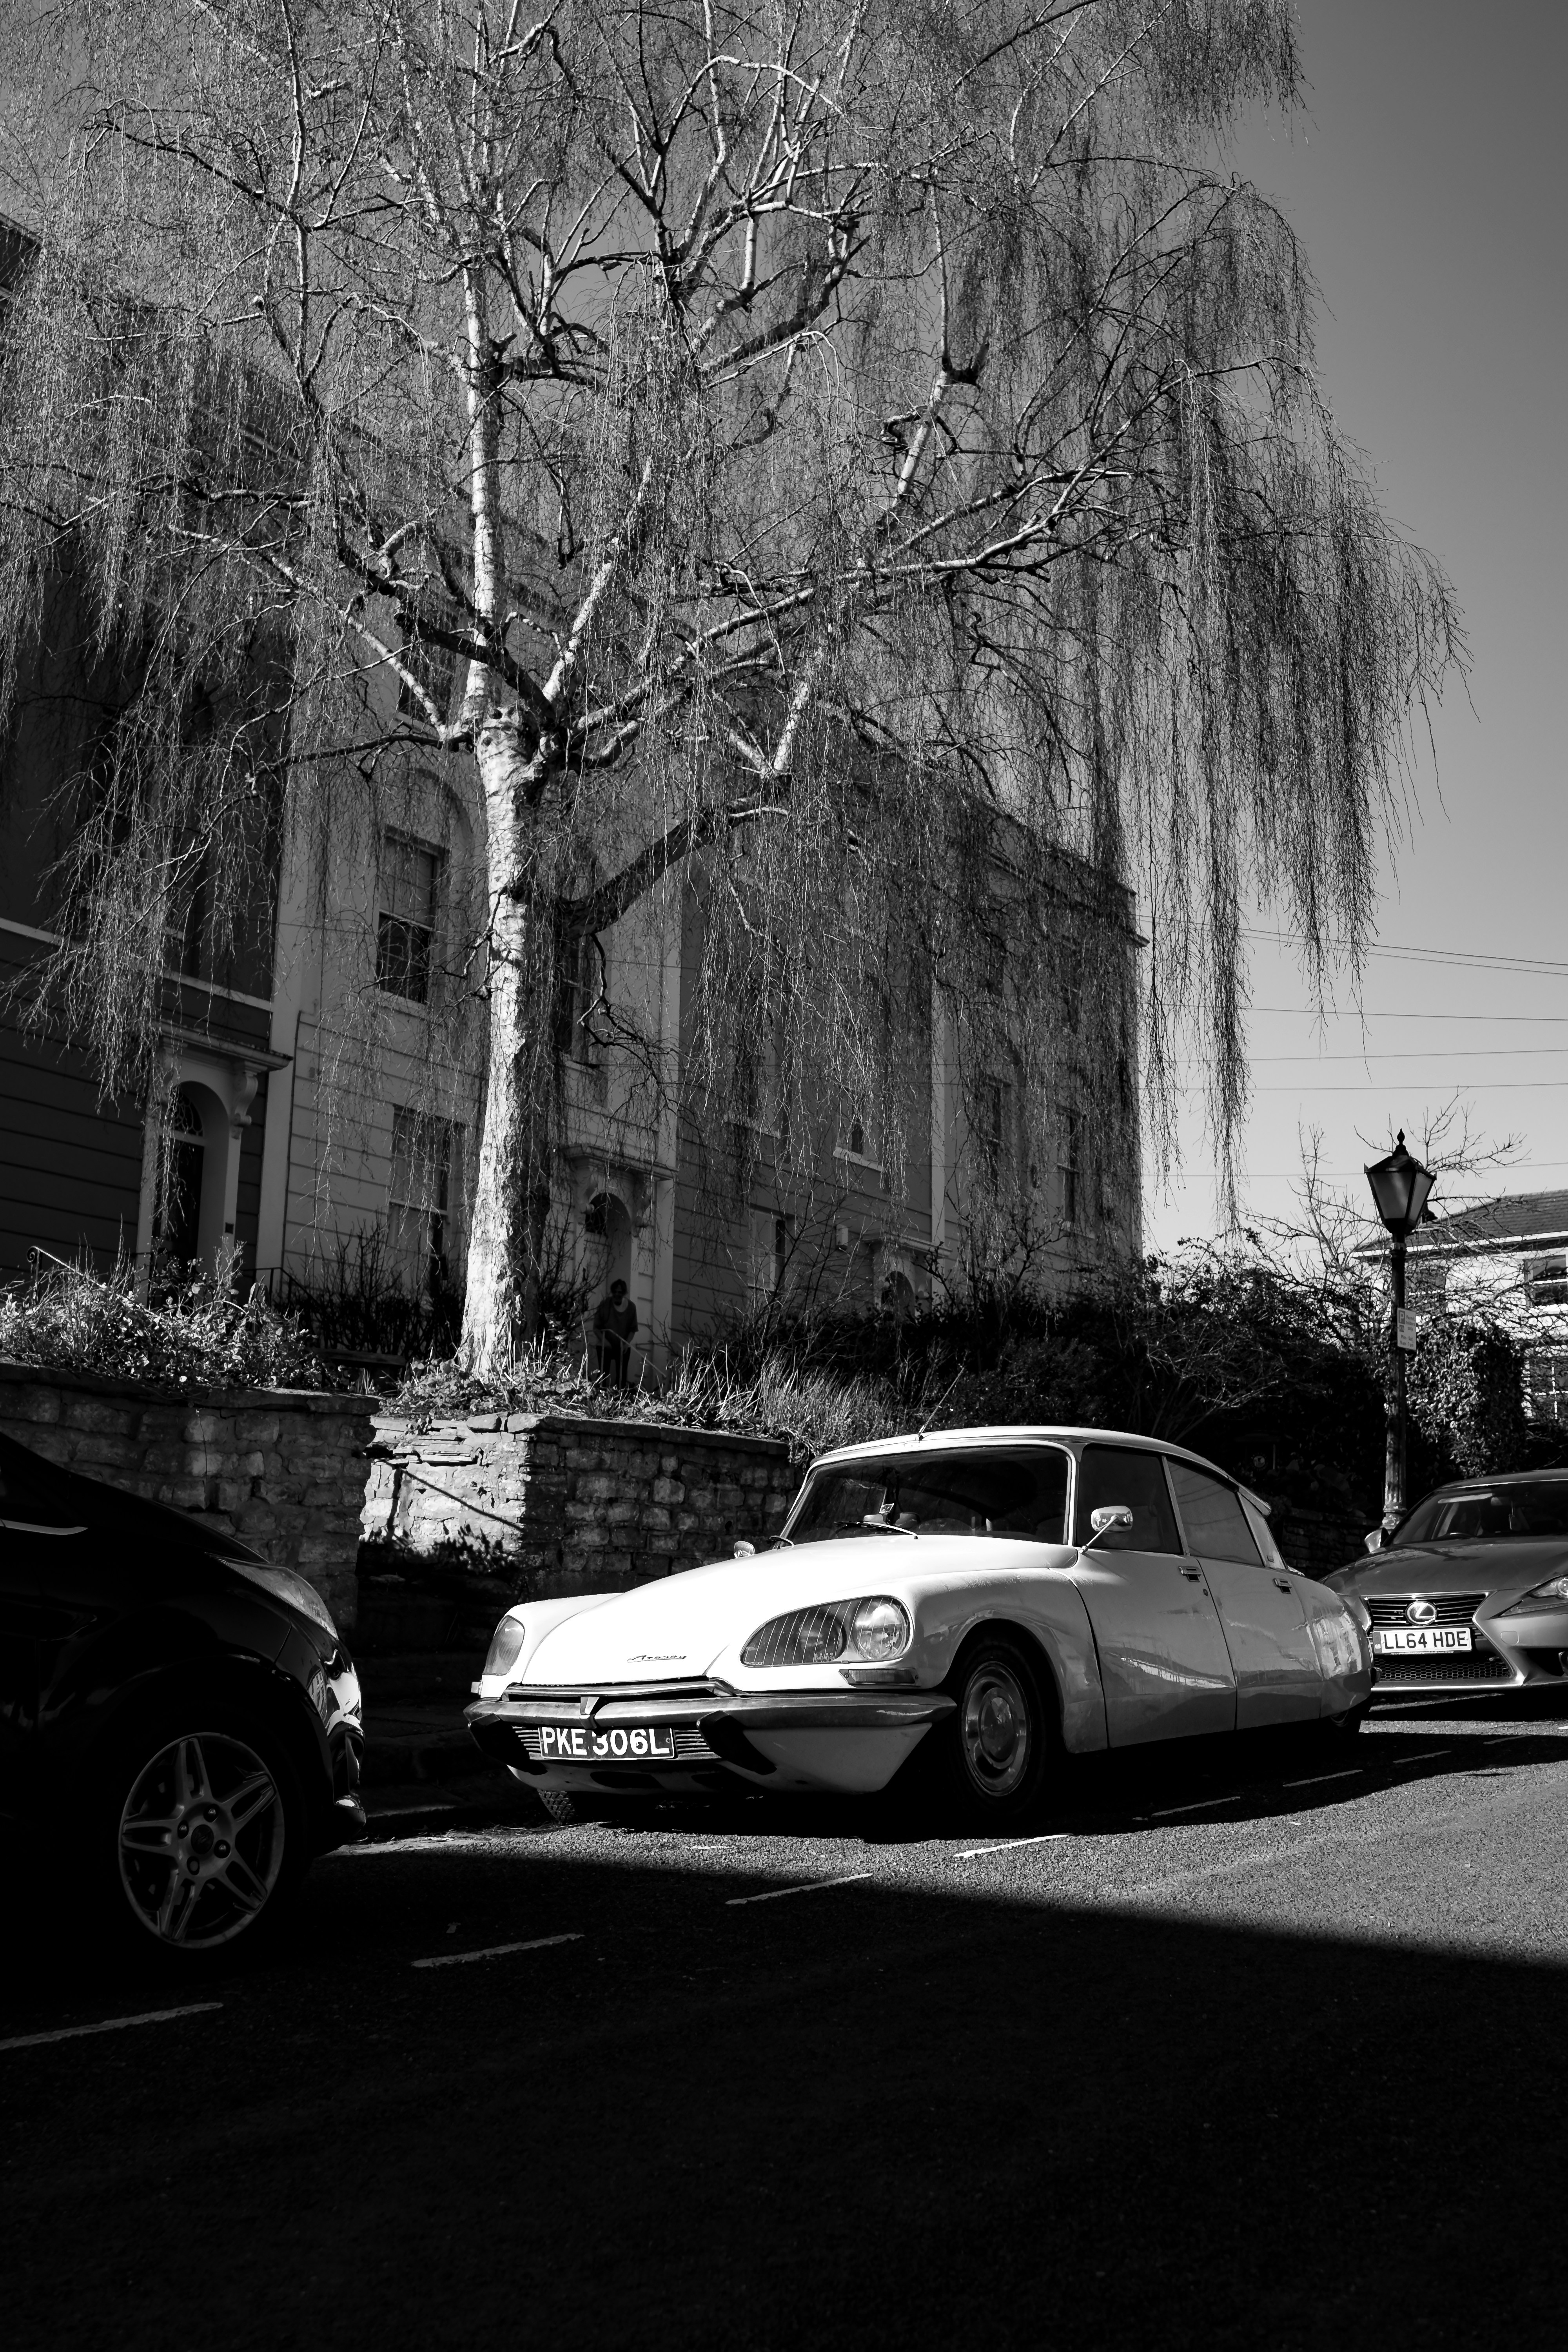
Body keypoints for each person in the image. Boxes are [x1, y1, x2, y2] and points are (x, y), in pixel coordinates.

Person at [593, 1278, 638, 1385]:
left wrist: (626, 1344)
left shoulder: (631, 1307)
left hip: (623, 1346)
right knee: (603, 1373)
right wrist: (605, 1342)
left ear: (624, 1293)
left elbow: (633, 1330)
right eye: (615, 1292)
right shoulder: (605, 1305)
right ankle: (599, 1393)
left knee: (622, 1376)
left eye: (620, 1292)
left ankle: (620, 1394)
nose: (617, 1295)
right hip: (605, 1345)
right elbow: (596, 1328)